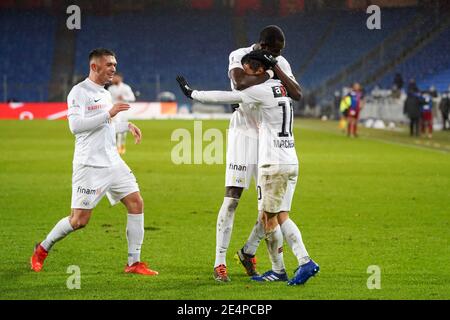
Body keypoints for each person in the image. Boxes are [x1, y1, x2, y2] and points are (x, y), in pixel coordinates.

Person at [176, 50, 319, 286]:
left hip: (270, 155)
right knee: (244, 203)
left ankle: (297, 264)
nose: (242, 74)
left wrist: (193, 93)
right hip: (275, 150)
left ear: (259, 68)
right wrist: (274, 71)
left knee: (274, 215)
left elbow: (226, 95)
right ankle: (226, 260)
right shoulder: (278, 82)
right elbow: (296, 92)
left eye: (248, 69)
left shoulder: (263, 83)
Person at [30, 48, 158, 276]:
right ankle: (42, 248)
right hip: (89, 165)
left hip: (113, 162)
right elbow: (76, 126)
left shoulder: (105, 93)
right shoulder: (78, 93)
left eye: (115, 65)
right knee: (79, 220)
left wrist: (125, 126)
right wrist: (109, 114)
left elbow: (104, 125)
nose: (113, 69)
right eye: (109, 65)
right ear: (94, 66)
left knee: (136, 203)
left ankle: (134, 263)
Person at [209, 25, 303, 282]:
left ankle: (249, 250)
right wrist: (272, 72)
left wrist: (275, 67)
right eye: (273, 50)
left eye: (280, 51)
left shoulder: (280, 61)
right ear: (262, 45)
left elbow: (295, 92)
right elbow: (239, 83)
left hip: (269, 140)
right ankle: (219, 261)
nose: (277, 54)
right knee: (232, 198)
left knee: (270, 206)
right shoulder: (238, 55)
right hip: (243, 133)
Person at [108, 73, 136, 155]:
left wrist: (124, 98)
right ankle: (118, 147)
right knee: (116, 128)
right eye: (113, 78)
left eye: (115, 78)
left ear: (120, 78)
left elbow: (132, 98)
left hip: (125, 111)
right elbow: (109, 99)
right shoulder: (110, 88)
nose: (113, 79)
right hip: (116, 111)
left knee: (124, 130)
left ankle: (122, 144)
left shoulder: (126, 87)